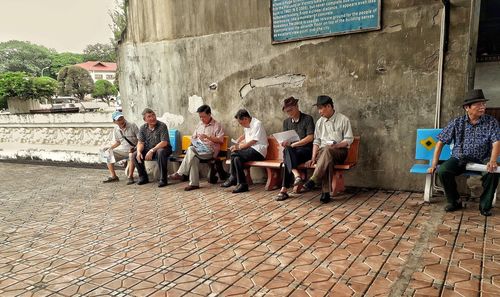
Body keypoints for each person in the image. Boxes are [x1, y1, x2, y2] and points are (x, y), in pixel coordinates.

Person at [427, 89, 499, 216]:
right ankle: (455, 201)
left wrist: (493, 160)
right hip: (459, 157)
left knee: (492, 173)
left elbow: (496, 142)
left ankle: (485, 206)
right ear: (467, 107)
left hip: (483, 157)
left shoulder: (491, 122)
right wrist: (434, 164)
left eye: (484, 104)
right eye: (478, 104)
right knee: (443, 171)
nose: (482, 107)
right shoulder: (457, 122)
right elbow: (440, 142)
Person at [302, 95, 354, 203]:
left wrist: (336, 145)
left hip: (340, 152)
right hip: (324, 153)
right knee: (326, 156)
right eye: (318, 109)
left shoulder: (343, 119)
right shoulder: (319, 122)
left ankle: (314, 179)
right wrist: (313, 157)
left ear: (329, 106)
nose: (319, 112)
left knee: (327, 151)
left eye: (321, 108)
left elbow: (349, 140)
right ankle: (325, 193)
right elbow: (316, 141)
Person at [168, 105, 225, 191]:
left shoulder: (217, 125)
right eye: (200, 117)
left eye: (203, 117)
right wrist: (195, 140)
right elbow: (193, 137)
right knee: (194, 158)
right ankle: (194, 184)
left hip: (210, 151)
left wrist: (208, 137)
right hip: (199, 149)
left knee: (191, 149)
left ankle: (180, 173)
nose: (202, 119)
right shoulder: (199, 125)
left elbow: (220, 140)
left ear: (209, 114)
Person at [276, 97, 315, 201]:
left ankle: (284, 190)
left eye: (291, 110)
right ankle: (296, 176)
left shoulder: (308, 119)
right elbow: (286, 139)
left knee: (287, 157)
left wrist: (294, 144)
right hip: (292, 152)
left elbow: (310, 137)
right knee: (287, 150)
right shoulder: (286, 122)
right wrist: (284, 143)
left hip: (305, 150)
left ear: (297, 107)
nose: (289, 113)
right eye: (287, 111)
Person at [221, 109, 268, 193]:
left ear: (246, 119)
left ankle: (233, 177)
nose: (241, 125)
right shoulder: (247, 125)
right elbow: (246, 135)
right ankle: (242, 184)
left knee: (234, 154)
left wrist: (239, 147)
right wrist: (238, 141)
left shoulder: (257, 124)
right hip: (251, 150)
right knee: (236, 159)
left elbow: (253, 141)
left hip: (258, 151)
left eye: (241, 123)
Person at [133, 108, 173, 187]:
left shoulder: (162, 125)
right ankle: (143, 177)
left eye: (153, 115)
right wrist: (139, 152)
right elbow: (141, 142)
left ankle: (163, 178)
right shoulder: (142, 128)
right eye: (149, 116)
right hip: (149, 149)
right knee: (134, 155)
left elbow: (164, 142)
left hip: (164, 149)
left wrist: (152, 150)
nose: (152, 118)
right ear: (145, 119)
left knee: (160, 152)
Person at [102, 111, 139, 185]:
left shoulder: (132, 125)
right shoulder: (116, 129)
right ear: (114, 122)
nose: (121, 121)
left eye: (122, 118)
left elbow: (140, 139)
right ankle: (114, 176)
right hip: (123, 150)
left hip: (134, 150)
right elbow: (118, 142)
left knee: (131, 157)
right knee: (107, 153)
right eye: (118, 120)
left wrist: (135, 148)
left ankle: (130, 177)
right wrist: (110, 148)